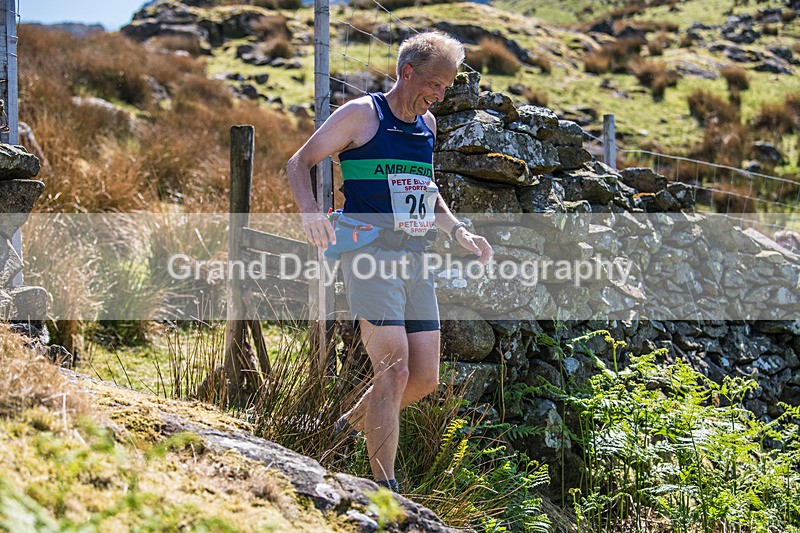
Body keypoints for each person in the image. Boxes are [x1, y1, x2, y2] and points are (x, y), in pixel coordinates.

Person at [287, 30, 493, 492]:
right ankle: (385, 493)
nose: (440, 96)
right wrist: (310, 212)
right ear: (407, 72)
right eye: (435, 85)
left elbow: (427, 192)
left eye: (446, 88)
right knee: (393, 370)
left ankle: (343, 427)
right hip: (369, 254)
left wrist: (460, 231)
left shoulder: (429, 127)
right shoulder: (363, 115)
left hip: (415, 257)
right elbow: (299, 163)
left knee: (422, 379)